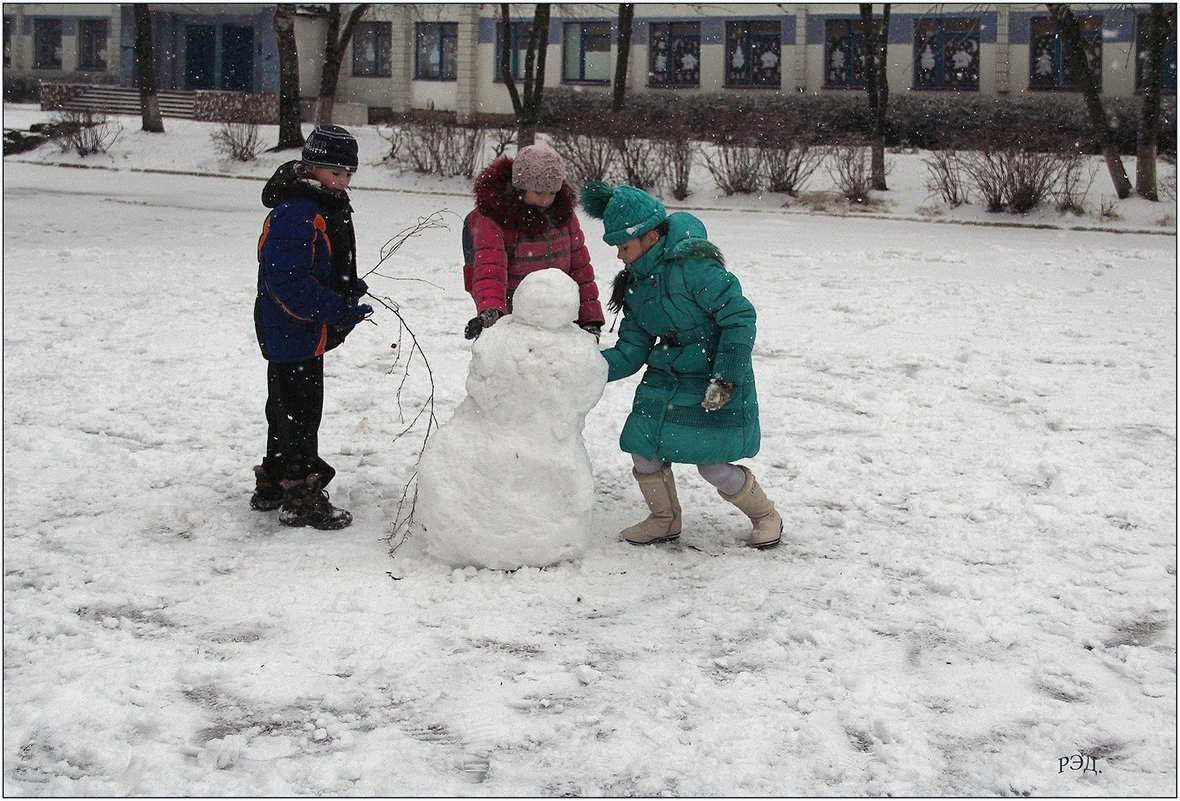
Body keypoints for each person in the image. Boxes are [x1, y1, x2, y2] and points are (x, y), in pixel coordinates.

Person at [581, 181, 783, 549]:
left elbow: (739, 319)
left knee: (713, 465)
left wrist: (726, 378)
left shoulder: (695, 269)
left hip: (713, 372)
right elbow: (631, 349)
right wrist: (584, 368)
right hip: (666, 371)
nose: (619, 256)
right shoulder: (636, 286)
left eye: (623, 246)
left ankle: (765, 515)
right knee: (643, 448)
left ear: (651, 237)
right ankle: (664, 520)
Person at [251, 125, 372, 530]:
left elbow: (324, 262)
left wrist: (346, 287)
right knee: (299, 414)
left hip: (299, 331)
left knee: (285, 409)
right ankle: (301, 495)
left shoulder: (323, 203)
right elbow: (287, 280)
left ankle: (272, 481)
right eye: (335, 173)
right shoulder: (298, 212)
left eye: (348, 175)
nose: (342, 182)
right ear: (310, 167)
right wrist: (334, 308)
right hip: (292, 328)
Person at [462, 144, 604, 340]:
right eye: (538, 192)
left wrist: (590, 320)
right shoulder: (497, 217)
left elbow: (581, 270)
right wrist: (492, 312)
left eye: (552, 192)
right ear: (520, 186)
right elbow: (490, 269)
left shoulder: (564, 217)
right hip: (515, 314)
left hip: (559, 315)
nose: (546, 199)